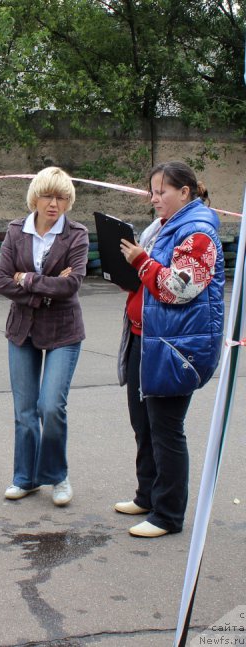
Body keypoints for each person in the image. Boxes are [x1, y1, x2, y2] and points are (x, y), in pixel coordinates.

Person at [115, 161, 224, 538]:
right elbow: (149, 280)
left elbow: (179, 288)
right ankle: (147, 495)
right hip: (144, 338)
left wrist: (140, 262)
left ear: (185, 192)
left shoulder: (198, 233)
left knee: (166, 429)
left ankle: (168, 515)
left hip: (176, 347)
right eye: (152, 191)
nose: (154, 198)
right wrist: (126, 268)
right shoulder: (161, 228)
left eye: (162, 191)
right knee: (142, 424)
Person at [0, 166, 89, 507]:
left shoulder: (76, 234)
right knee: (24, 410)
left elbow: (72, 284)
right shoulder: (16, 230)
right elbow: (2, 281)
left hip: (64, 331)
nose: (54, 204)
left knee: (50, 406)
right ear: (35, 196)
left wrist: (28, 279)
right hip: (22, 330)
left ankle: (57, 476)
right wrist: (45, 289)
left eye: (62, 197)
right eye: (48, 196)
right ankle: (26, 478)